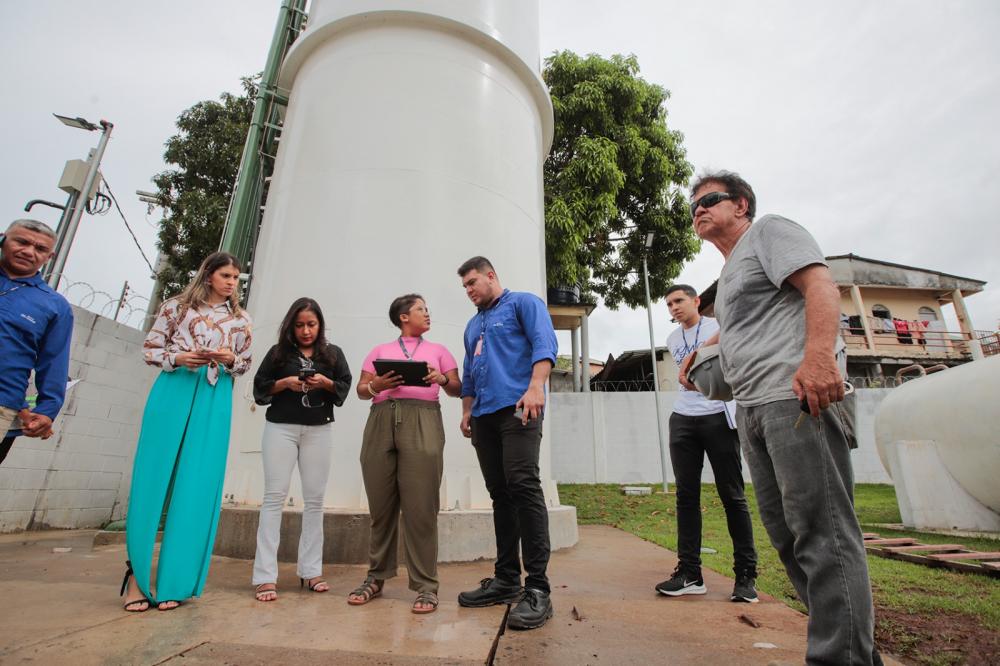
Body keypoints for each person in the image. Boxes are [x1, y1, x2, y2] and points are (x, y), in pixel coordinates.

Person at [680, 171, 879, 665]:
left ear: (741, 204)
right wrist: (701, 354)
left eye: (709, 201)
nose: (698, 211)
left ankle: (842, 658)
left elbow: (821, 285)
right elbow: (741, 330)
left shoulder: (769, 232)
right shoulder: (728, 276)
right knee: (789, 539)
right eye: (692, 208)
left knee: (823, 532)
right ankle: (850, 651)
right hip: (749, 409)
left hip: (794, 398)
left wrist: (818, 359)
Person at [120, 251, 253, 612]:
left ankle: (175, 581)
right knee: (153, 479)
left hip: (214, 395)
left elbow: (245, 364)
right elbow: (150, 350)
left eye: (236, 278)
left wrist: (229, 360)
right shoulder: (176, 307)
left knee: (197, 484)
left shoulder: (241, 320)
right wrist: (178, 358)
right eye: (226, 275)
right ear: (208, 274)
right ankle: (135, 579)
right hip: (174, 387)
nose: (231, 283)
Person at [455, 257, 558, 630]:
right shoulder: (472, 325)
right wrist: (467, 410)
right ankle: (506, 580)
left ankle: (539, 589)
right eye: (464, 286)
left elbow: (544, 345)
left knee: (523, 485)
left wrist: (535, 388)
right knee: (500, 493)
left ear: (491, 276)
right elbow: (469, 371)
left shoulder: (524, 303)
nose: (469, 291)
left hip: (518, 406)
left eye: (472, 283)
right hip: (484, 415)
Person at [348, 294, 460, 614]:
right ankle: (376, 577)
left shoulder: (438, 351)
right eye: (421, 309)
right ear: (403, 317)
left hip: (423, 419)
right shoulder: (379, 351)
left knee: (421, 507)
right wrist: (377, 385)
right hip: (381, 419)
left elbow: (457, 387)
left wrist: (440, 378)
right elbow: (360, 389)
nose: (428, 314)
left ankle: (426, 584)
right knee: (381, 507)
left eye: (427, 309)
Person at [655, 284, 758, 603]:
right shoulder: (673, 340)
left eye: (679, 301)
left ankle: (746, 577)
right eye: (669, 304)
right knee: (686, 496)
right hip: (683, 418)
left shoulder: (718, 326)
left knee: (732, 495)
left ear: (696, 301)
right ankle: (690, 573)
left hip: (718, 414)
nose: (674, 308)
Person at [251, 297, 352, 602]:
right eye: (299, 325)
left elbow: (345, 385)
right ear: (290, 326)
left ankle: (310, 571)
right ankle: (265, 577)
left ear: (320, 324)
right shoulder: (278, 354)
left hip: (318, 430)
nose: (306, 331)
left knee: (315, 501)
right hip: (280, 428)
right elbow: (260, 386)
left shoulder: (332, 354)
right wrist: (284, 384)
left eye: (311, 324)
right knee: (273, 498)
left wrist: (325, 382)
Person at [0, 220, 73, 463]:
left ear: (50, 256)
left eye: (40, 249)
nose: (29, 252)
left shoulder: (54, 306)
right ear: (3, 239)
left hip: (3, 404)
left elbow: (54, 364)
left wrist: (47, 410)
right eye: (21, 242)